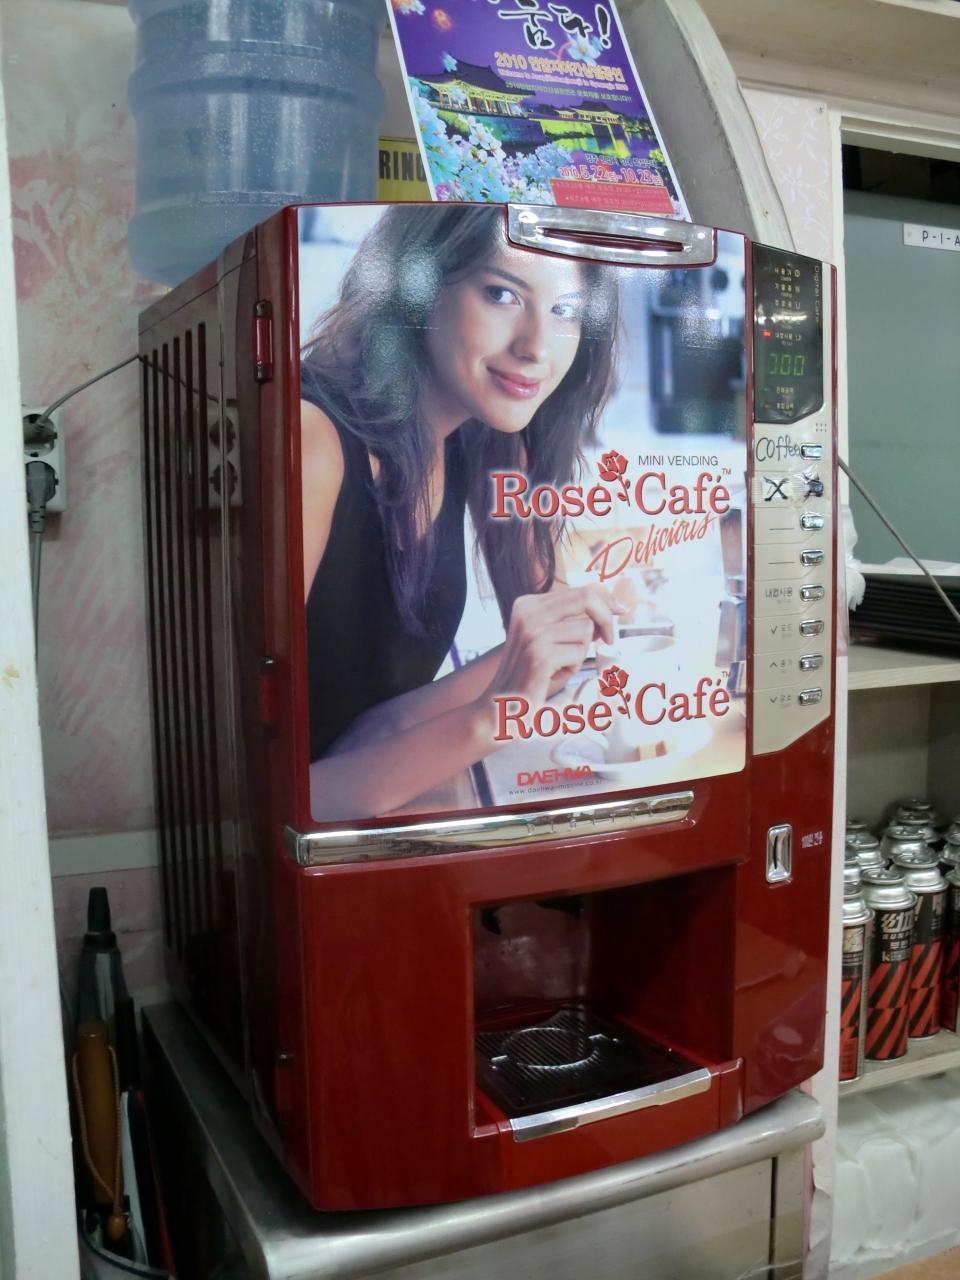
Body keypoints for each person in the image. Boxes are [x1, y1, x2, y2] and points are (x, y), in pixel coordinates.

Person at [301, 204, 624, 821]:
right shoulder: (312, 441)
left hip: (379, 816)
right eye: (502, 294)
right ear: (417, 288)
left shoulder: (485, 434)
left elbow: (545, 655)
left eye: (566, 311)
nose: (536, 348)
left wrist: (555, 645)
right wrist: (491, 716)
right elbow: (276, 797)